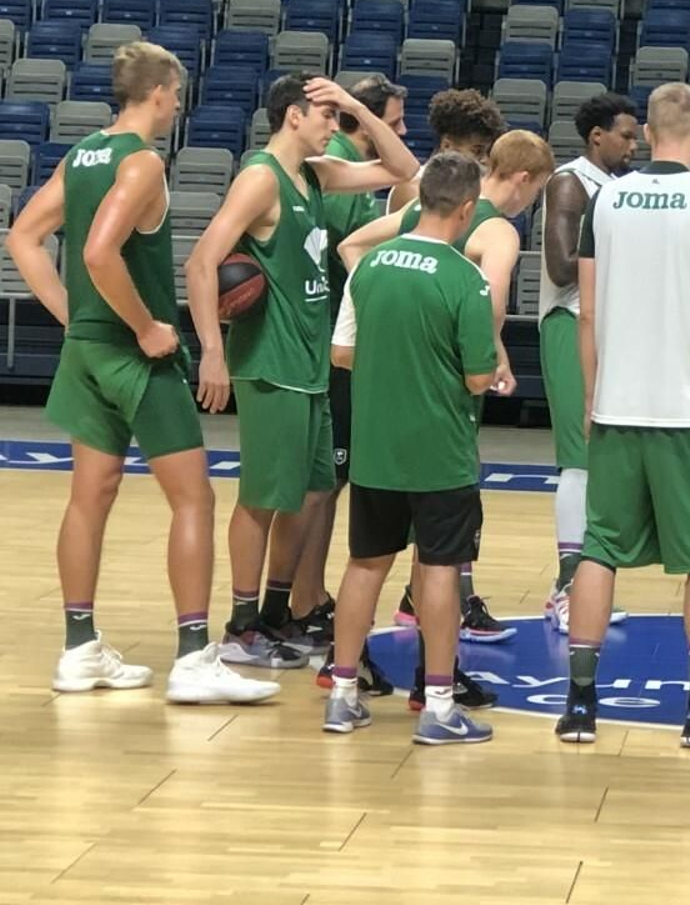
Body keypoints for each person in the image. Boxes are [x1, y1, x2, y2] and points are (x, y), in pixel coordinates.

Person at [8, 42, 276, 705]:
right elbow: (100, 253)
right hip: (137, 357)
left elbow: (22, 237)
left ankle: (79, 651)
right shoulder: (143, 162)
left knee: (88, 496)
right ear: (158, 92)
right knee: (194, 499)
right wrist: (147, 327)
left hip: (86, 354)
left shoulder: (82, 154)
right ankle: (193, 657)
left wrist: (72, 316)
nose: (179, 104)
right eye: (177, 93)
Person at [186, 74, 419, 669]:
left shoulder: (313, 175)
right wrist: (212, 350)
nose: (332, 127)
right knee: (263, 498)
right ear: (294, 116)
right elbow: (203, 260)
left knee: (310, 493)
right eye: (324, 115)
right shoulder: (261, 177)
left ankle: (276, 612)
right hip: (271, 363)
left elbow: (401, 169)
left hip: (310, 364)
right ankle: (240, 627)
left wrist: (352, 108)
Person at [554, 83, 690, 749]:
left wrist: (591, 394)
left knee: (600, 550)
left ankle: (579, 706)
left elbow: (588, 311)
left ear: (644, 133)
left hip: (617, 402)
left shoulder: (605, 198)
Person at [336, 129, 554, 703]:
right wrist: (495, 354)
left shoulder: (412, 216)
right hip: (444, 405)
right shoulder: (497, 230)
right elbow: (494, 294)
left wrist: (372, 323)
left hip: (381, 411)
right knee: (440, 562)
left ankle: (342, 680)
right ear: (525, 181)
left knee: (368, 557)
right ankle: (435, 685)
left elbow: (350, 247)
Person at [322, 152, 502, 745]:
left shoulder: (369, 267)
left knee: (364, 566)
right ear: (468, 208)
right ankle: (440, 706)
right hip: (440, 452)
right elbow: (479, 378)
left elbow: (341, 353)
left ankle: (343, 694)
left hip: (376, 446)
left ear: (420, 199)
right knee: (439, 569)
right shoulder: (464, 278)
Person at [381, 88, 507, 633]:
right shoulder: (415, 192)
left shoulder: (440, 194)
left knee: (447, 489)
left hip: (434, 340)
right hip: (432, 348)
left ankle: (429, 595)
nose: (483, 162)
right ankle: (448, 596)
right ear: (452, 144)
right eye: (478, 149)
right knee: (438, 492)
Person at [294, 74, 407, 668]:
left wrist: (362, 110)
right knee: (320, 484)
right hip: (324, 345)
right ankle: (299, 600)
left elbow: (404, 167)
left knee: (325, 482)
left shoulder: (342, 159)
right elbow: (350, 244)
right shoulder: (329, 160)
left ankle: (305, 597)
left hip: (333, 343)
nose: (401, 129)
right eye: (392, 117)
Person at [537, 91, 637, 633]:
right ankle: (566, 587)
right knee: (578, 460)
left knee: (598, 462)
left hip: (608, 328)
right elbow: (559, 264)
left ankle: (576, 582)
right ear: (597, 135)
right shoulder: (571, 182)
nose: (633, 143)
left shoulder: (621, 188)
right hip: (572, 324)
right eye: (625, 134)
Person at [384, 88, 504, 216]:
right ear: (447, 145)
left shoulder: (480, 191)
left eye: (487, 152)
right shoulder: (411, 189)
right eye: (477, 151)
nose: (485, 159)